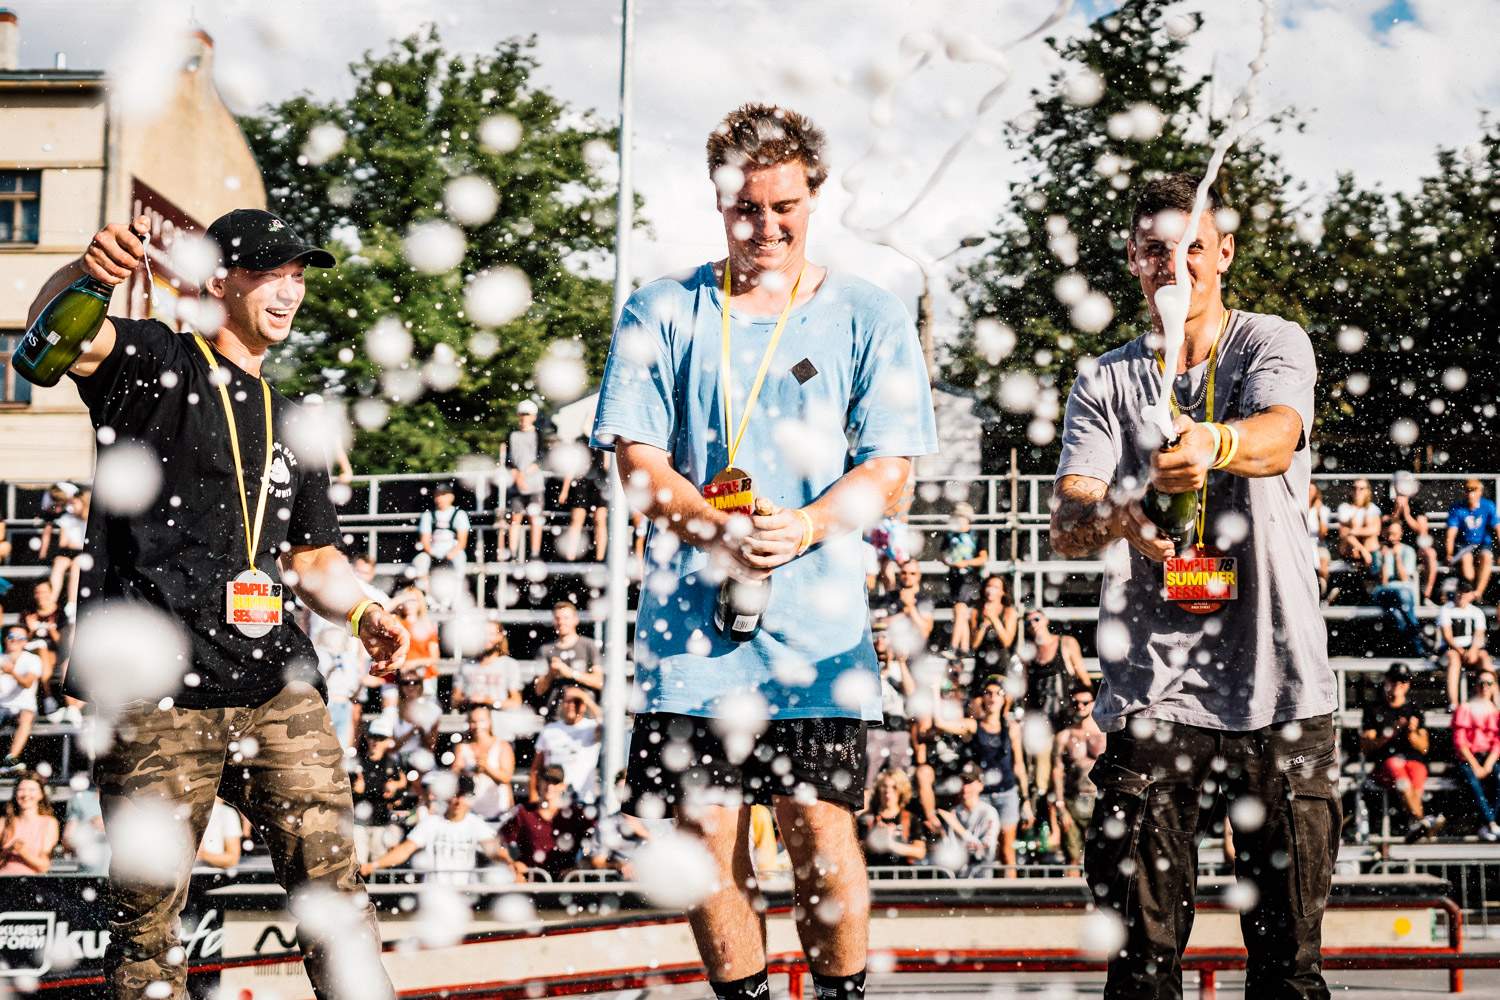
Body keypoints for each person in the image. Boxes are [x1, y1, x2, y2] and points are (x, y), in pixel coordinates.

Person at [590, 103, 936, 1000]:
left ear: (814, 197)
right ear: (719, 202)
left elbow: (890, 469)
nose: (766, 225)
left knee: (818, 826)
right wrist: (716, 528)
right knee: (706, 837)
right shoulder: (663, 307)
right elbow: (636, 460)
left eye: (785, 206)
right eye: (747, 207)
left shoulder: (868, 314)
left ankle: (840, 995)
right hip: (689, 634)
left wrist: (811, 524)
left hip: (815, 631)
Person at [25, 209, 410, 999]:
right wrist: (87, 276)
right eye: (273, 272)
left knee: (337, 899)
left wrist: (368, 611)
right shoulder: (155, 361)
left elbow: (312, 558)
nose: (290, 291)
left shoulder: (294, 415)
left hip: (276, 689)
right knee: (147, 931)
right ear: (220, 282)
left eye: (300, 275)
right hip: (156, 697)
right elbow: (49, 341)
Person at [1050, 173, 1339, 997]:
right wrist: (1122, 517)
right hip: (1154, 698)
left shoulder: (1269, 343)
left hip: (1278, 690)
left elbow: (1279, 436)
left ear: (1223, 255)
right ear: (1134, 264)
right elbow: (1067, 518)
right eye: (1154, 251)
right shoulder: (1106, 380)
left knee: (1289, 971)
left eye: (1192, 250)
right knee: (1140, 970)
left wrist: (1213, 440)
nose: (1174, 267)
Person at [932, 675, 1028, 874]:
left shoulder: (1012, 728)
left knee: (1007, 853)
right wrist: (934, 691)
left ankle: (1010, 901)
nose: (993, 698)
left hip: (1007, 794)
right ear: (983, 698)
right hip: (981, 796)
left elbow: (1018, 765)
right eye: (989, 693)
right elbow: (940, 723)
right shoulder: (973, 726)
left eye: (998, 694)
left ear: (1005, 700)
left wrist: (1026, 799)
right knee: (983, 853)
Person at [361, 776, 522, 885]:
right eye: (455, 795)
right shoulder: (432, 823)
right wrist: (374, 865)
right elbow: (405, 849)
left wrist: (511, 865)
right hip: (433, 894)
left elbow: (494, 850)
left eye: (463, 796)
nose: (458, 801)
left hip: (463, 896)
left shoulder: (476, 824)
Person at [1360, 662, 1442, 842]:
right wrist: (1390, 732)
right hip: (1385, 765)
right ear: (1386, 680)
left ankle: (1415, 824)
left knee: (1414, 771)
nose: (1398, 684)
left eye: (1403, 681)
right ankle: (1420, 820)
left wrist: (1411, 733)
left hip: (1412, 762)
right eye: (1395, 680)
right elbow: (1366, 747)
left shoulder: (1414, 708)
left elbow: (1424, 747)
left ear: (1408, 684)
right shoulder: (1374, 709)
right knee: (1398, 770)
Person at [500, 764, 595, 880]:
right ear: (539, 782)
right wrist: (513, 864)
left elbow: (595, 845)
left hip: (566, 884)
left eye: (555, 782)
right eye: (547, 780)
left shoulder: (575, 814)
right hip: (531, 882)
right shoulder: (524, 813)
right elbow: (498, 843)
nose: (550, 786)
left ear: (563, 786)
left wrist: (576, 868)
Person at [1051, 685, 1106, 871]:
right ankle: (1071, 900)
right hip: (1073, 800)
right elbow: (1057, 771)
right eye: (1076, 703)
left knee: (1100, 858)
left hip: (1098, 800)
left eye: (1085, 702)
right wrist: (1060, 805)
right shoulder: (1064, 736)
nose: (1080, 706)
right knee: (1072, 859)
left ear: (1094, 703)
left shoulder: (1105, 734)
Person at [865, 620, 915, 803]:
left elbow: (910, 691)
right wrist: (885, 667)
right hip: (875, 727)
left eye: (885, 635)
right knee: (868, 779)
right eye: (876, 635)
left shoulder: (900, 666)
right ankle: (866, 816)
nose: (880, 640)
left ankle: (899, 814)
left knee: (899, 779)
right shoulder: (867, 663)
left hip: (898, 727)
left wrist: (900, 663)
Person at [530, 684, 602, 805]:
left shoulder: (592, 727)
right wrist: (533, 793)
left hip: (582, 798)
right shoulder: (549, 729)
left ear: (584, 705)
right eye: (568, 701)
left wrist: (586, 698)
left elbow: (610, 728)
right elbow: (536, 767)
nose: (572, 705)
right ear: (561, 703)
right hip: (553, 798)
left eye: (577, 701)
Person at [1452, 668, 1500, 842]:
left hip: (1488, 759)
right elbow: (1460, 742)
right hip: (1468, 759)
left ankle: (1489, 824)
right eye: (1481, 683)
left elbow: (1497, 742)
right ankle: (1492, 824)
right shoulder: (1466, 708)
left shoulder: (1496, 711)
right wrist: (1476, 765)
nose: (1484, 687)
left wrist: (1487, 765)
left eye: (1489, 683)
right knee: (1472, 782)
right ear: (1475, 685)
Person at [531, 600, 603, 715]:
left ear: (575, 620)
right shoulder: (545, 649)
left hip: (585, 718)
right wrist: (551, 673)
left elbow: (599, 682)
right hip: (555, 718)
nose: (561, 622)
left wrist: (571, 673)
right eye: (557, 618)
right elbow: (538, 690)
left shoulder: (588, 645)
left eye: (566, 618)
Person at [932, 762, 1000, 877]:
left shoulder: (989, 812)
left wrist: (959, 829)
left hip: (980, 884)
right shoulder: (952, 812)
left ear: (981, 785)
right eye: (962, 781)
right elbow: (948, 853)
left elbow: (986, 853)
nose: (965, 786)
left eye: (969, 782)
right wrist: (941, 834)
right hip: (954, 882)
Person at [453, 704, 517, 822]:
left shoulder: (502, 745)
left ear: (490, 722)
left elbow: (506, 778)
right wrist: (471, 773)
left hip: (498, 811)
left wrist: (486, 768)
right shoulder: (462, 747)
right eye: (473, 721)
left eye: (482, 721)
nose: (477, 726)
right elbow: (455, 776)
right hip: (470, 813)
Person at [1370, 518, 1426, 655]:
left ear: (1400, 533)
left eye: (1394, 534)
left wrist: (1397, 557)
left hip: (1402, 594)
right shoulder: (1377, 552)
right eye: (1388, 534)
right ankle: (1418, 635)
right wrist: (1383, 559)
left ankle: (1413, 648)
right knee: (1402, 594)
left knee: (1397, 614)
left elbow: (1404, 577)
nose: (1391, 538)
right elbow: (1382, 581)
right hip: (1385, 592)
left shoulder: (1408, 550)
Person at [412, 483, 470, 610]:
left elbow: (462, 542)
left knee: (460, 558)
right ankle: (428, 599)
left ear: (451, 497)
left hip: (452, 552)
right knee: (419, 561)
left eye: (443, 495)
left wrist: (450, 554)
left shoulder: (459, 514)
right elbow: (425, 541)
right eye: (437, 495)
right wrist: (433, 554)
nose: (439, 499)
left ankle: (456, 599)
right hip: (433, 551)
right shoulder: (428, 515)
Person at [1438, 578, 1492, 710]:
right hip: (1451, 648)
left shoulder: (1477, 612)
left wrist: (1473, 650)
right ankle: (1454, 702)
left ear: (1472, 595)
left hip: (1471, 649)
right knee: (1453, 659)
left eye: (1466, 592)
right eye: (1460, 592)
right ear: (1456, 592)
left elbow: (1479, 635)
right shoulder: (1446, 610)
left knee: (1484, 657)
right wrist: (1462, 652)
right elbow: (1448, 636)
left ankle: (1493, 699)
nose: (1462, 595)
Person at [941, 502, 988, 654]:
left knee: (959, 608)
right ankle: (965, 647)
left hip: (969, 578)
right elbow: (943, 555)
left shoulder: (975, 536)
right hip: (955, 577)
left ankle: (953, 646)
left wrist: (966, 563)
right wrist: (952, 563)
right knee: (960, 612)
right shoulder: (950, 536)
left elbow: (983, 557)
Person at [857, 768, 926, 867]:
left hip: (902, 878)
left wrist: (892, 845)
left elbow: (920, 852)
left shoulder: (911, 819)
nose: (888, 791)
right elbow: (856, 848)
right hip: (874, 877)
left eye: (894, 787)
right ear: (878, 789)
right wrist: (874, 840)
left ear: (901, 790)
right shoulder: (867, 818)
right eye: (884, 786)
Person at [1446, 479, 1500, 602]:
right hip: (1464, 544)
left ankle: (1477, 594)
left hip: (1483, 544)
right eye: (1468, 491)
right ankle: (1469, 591)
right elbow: (1451, 532)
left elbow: (1498, 529)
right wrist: (1449, 553)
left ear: (1480, 492)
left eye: (1473, 491)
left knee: (1486, 557)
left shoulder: (1488, 505)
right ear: (1463, 492)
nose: (1471, 494)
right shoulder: (1456, 508)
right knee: (1466, 559)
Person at [453, 620, 522, 712]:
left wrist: (489, 702)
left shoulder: (509, 665)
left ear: (500, 636)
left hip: (499, 723)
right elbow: (454, 701)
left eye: (491, 634)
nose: (486, 638)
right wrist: (468, 700)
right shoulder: (466, 665)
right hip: (473, 723)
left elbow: (516, 703)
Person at [506, 400, 546, 560]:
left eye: (527, 415)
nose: (524, 418)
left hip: (534, 484)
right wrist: (517, 476)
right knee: (515, 519)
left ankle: (535, 553)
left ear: (534, 417)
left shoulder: (539, 435)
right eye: (522, 414)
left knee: (534, 519)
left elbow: (540, 459)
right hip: (516, 485)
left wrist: (522, 475)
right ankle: (512, 553)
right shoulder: (512, 435)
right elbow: (508, 460)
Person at [559, 439, 610, 562]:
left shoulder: (607, 440)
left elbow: (607, 466)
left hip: (600, 482)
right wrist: (565, 490)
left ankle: (600, 559)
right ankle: (570, 557)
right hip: (581, 482)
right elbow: (572, 466)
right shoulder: (580, 440)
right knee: (577, 519)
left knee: (600, 520)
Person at [0, 770, 59, 875]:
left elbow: (44, 866)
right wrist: (9, 849)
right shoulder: (3, 823)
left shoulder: (49, 823)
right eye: (21, 790)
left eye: (32, 790)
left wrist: (22, 851)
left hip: (31, 884)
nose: (26, 794)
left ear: (41, 794)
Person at [0, 627, 41, 774]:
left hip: (24, 707)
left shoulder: (33, 659)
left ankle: (11, 758)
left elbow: (27, 683)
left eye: (20, 637)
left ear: (26, 641)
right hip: (2, 707)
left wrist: (12, 672)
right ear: (5, 638)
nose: (15, 640)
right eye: (11, 636)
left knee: (26, 715)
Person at [1390, 481, 1439, 605]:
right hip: (1394, 546)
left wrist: (1406, 514)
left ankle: (1426, 595)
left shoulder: (1417, 504)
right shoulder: (1388, 503)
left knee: (1430, 554)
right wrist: (1396, 512)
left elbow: (1422, 531)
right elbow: (1386, 529)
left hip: (1415, 549)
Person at [878, 558, 936, 659]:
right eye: (904, 573)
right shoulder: (888, 598)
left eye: (912, 573)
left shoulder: (924, 600)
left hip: (916, 657)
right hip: (891, 657)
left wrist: (910, 607)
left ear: (918, 576)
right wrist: (904, 613)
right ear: (899, 575)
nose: (907, 576)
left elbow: (924, 631)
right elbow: (879, 625)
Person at [968, 574, 1018, 680]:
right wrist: (984, 623)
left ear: (1003, 592)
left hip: (1002, 663)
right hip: (982, 662)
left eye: (996, 587)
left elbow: (1006, 641)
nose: (991, 590)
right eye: (989, 586)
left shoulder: (1009, 612)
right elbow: (974, 644)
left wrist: (993, 618)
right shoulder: (976, 612)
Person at [1338, 479, 1382, 569]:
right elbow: (1343, 533)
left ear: (1368, 491)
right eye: (1354, 488)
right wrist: (1363, 550)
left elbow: (1376, 530)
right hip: (1352, 549)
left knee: (1368, 522)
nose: (1357, 492)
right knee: (1353, 522)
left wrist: (1353, 531)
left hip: (1366, 546)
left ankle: (1364, 562)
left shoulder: (1372, 508)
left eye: (1361, 489)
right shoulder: (1345, 507)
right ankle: (1365, 561)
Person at [196, 797, 245, 870]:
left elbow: (233, 859)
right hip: (208, 876)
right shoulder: (227, 813)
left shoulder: (226, 814)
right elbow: (233, 859)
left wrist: (202, 855)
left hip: (208, 876)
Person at [1307, 483, 1332, 600]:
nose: (1309, 493)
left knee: (1323, 567)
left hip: (1317, 544)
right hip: (1302, 544)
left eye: (1311, 490)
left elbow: (1323, 535)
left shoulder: (1323, 510)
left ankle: (1322, 595)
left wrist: (1318, 515)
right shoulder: (1295, 507)